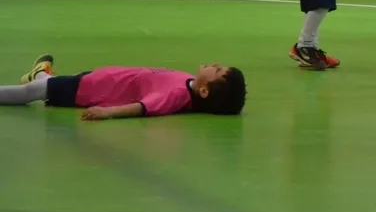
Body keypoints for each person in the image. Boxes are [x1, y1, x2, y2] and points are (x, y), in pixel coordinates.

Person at [0, 55, 246, 119]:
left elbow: (143, 107)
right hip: (98, 80)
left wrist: (107, 112)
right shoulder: (186, 82)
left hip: (86, 91)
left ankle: (39, 76)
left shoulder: (175, 95)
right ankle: (40, 73)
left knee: (30, 92)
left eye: (218, 70)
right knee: (47, 84)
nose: (215, 64)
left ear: (204, 91)